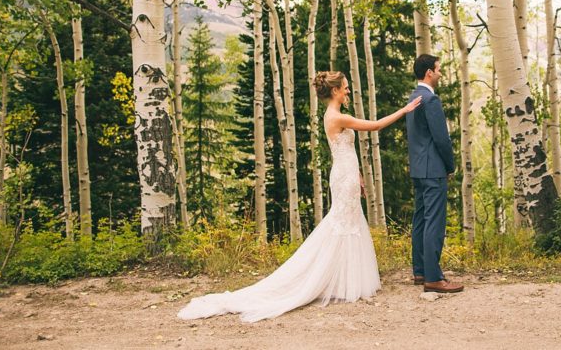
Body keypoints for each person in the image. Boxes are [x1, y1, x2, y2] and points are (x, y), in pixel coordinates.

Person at [177, 71, 421, 322]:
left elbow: (348, 149)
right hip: (342, 176)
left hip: (346, 173)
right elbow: (376, 126)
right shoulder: (337, 117)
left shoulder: (335, 116)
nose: (348, 91)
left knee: (349, 224)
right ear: (335, 91)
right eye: (346, 88)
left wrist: (358, 175)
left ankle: (343, 282)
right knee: (341, 226)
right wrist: (405, 110)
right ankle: (324, 279)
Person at [406, 54, 463, 293]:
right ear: (429, 72)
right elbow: (441, 138)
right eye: (438, 69)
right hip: (433, 168)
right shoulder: (430, 100)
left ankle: (420, 271)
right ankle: (433, 277)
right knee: (434, 223)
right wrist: (450, 166)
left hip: (418, 168)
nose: (440, 73)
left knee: (420, 219)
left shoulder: (413, 97)